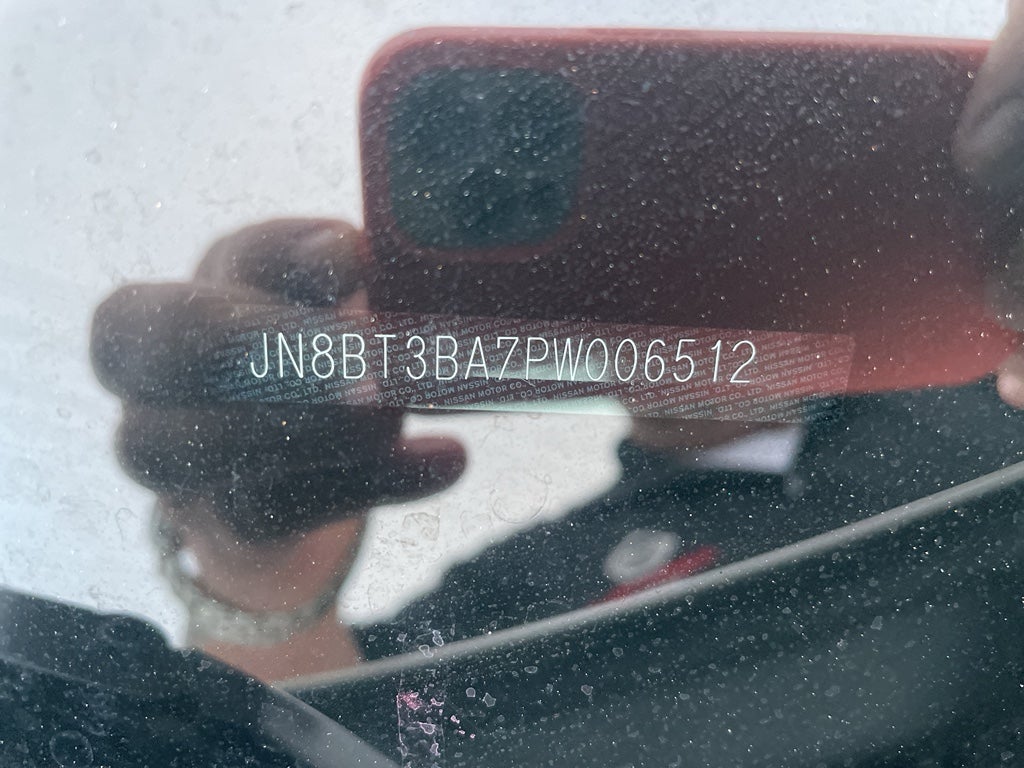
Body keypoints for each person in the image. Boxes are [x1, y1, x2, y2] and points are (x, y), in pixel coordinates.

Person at [91, 7, 1024, 685]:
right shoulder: (517, 588)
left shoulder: (996, 392)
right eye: (617, 227)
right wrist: (259, 569)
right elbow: (320, 731)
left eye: (705, 207)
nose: (664, 259)